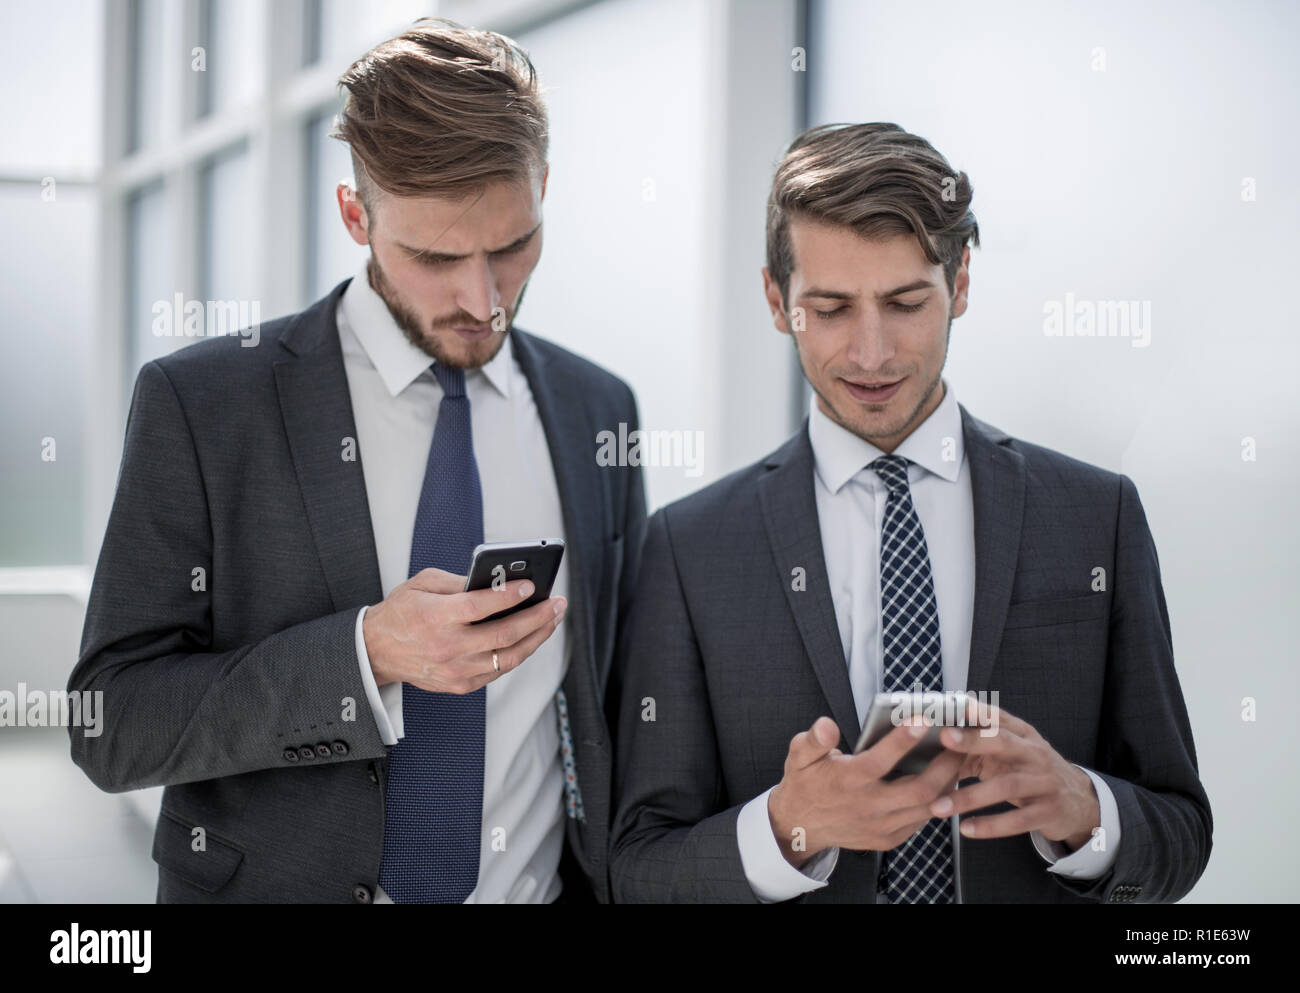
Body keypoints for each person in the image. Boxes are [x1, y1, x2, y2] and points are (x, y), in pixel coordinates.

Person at [69, 17, 645, 904]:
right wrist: (364, 652)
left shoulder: (599, 411)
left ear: (544, 191)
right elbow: (109, 724)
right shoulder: (209, 405)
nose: (481, 299)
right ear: (355, 215)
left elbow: (617, 700)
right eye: (434, 256)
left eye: (512, 246)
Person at [609, 122, 1211, 904]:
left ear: (961, 281)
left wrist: (1083, 808)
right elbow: (637, 868)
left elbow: (1181, 832)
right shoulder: (691, 550)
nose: (871, 353)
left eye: (904, 302)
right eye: (829, 309)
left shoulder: (1098, 517)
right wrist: (789, 826)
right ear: (775, 299)